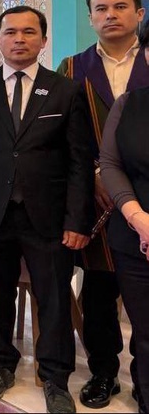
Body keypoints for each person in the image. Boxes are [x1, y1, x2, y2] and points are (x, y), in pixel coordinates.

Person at [0, 5, 94, 414]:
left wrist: (77, 219)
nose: (19, 39)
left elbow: (80, 162)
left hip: (49, 216)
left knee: (54, 298)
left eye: (29, 32)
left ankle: (55, 378)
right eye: (10, 32)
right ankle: (1, 364)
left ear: (43, 40)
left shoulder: (66, 90)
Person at [57, 0, 148, 408]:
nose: (110, 15)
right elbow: (63, 135)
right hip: (94, 199)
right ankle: (103, 372)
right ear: (90, 17)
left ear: (139, 14)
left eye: (120, 7)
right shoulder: (72, 68)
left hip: (145, 197)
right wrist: (95, 177)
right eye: (101, 9)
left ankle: (144, 377)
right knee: (97, 290)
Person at [100, 21, 149, 414]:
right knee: (145, 332)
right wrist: (139, 218)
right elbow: (111, 165)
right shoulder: (128, 104)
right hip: (134, 235)